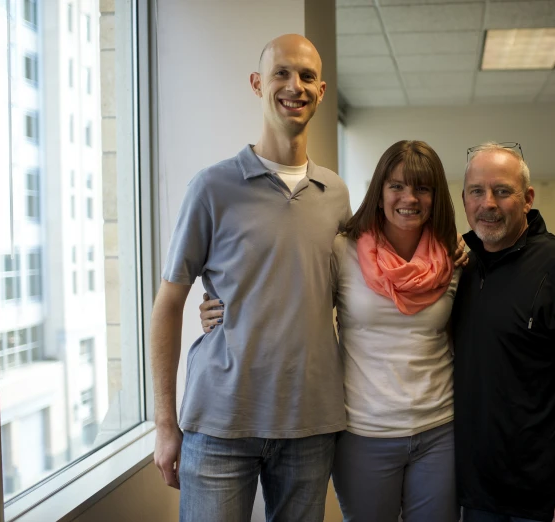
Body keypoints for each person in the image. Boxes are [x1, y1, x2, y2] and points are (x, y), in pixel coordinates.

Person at [201, 140, 464, 522]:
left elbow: (468, 334)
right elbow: (296, 305)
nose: (410, 198)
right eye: (397, 186)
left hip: (440, 430)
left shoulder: (452, 259)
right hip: (363, 432)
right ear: (379, 193)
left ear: (435, 197)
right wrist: (223, 309)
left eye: (422, 188)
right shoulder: (344, 250)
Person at [150, 34, 351, 522]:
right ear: (259, 83)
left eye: (306, 76)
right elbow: (168, 305)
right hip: (220, 421)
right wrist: (164, 423)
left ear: (321, 92)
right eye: (282, 73)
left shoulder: (336, 194)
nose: (294, 86)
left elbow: (361, 286)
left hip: (310, 423)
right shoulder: (211, 187)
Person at [452, 143, 555, 522]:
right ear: (464, 199)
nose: (488, 204)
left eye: (502, 191)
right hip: (476, 492)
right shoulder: (459, 267)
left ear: (527, 198)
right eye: (477, 191)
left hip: (543, 498)